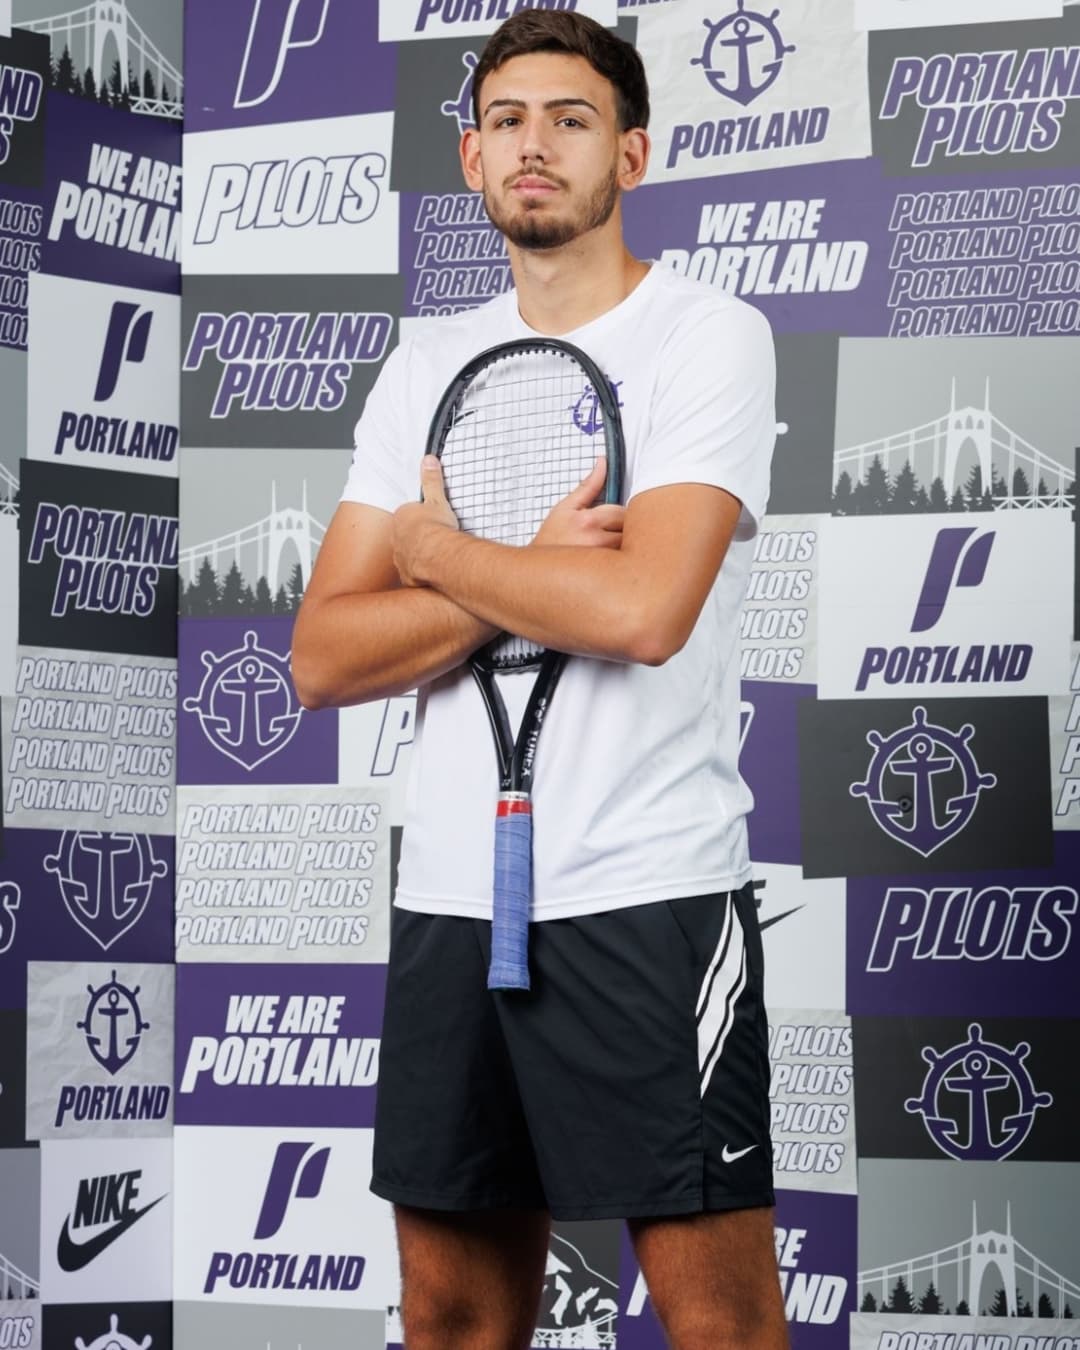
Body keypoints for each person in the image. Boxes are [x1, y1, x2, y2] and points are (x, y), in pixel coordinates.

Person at [292, 11, 785, 1349]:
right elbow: (323, 656)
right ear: (469, 156)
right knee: (452, 1315)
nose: (534, 144)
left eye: (572, 119)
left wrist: (434, 553)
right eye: (506, 119)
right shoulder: (421, 365)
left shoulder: (708, 336)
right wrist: (522, 572)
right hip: (452, 900)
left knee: (718, 1324)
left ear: (631, 153)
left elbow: (641, 611)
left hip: (648, 893)